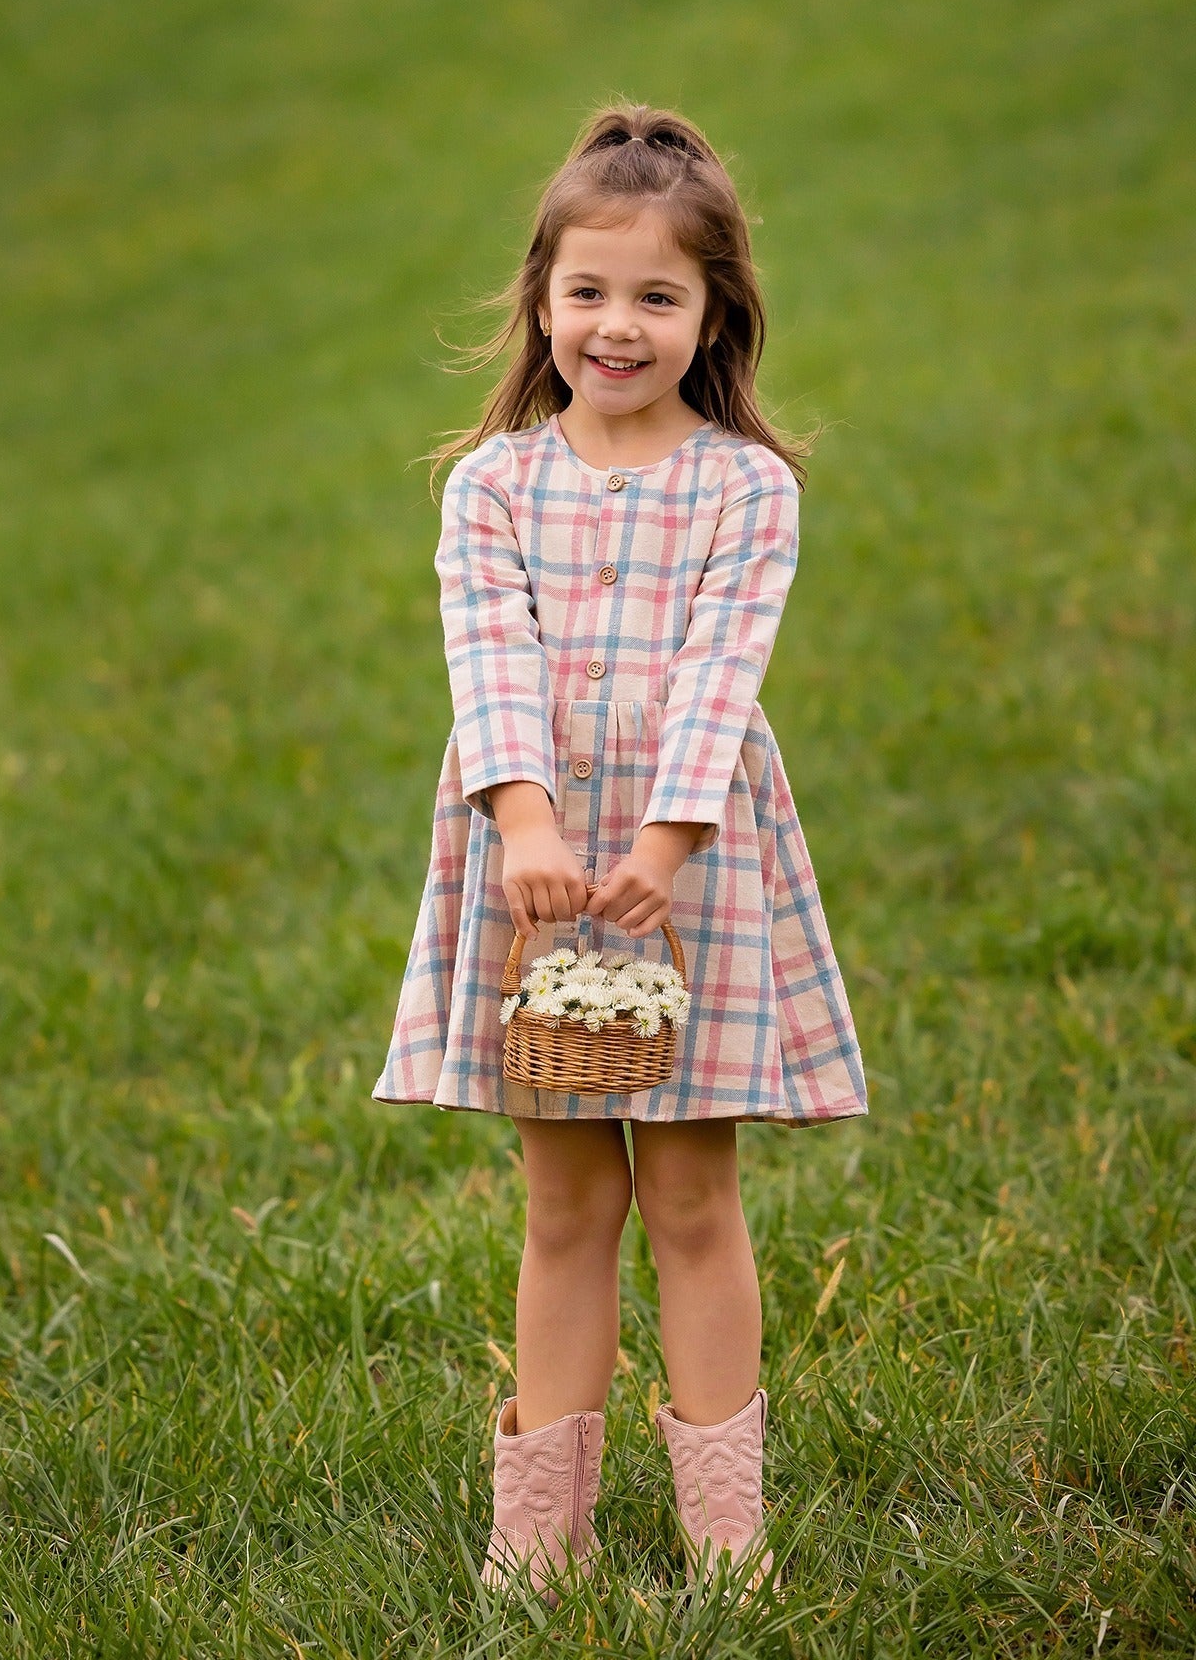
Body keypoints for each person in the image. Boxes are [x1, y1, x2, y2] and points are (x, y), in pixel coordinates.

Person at [372, 101, 868, 1602]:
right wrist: (522, 817)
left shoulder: (747, 488)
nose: (619, 324)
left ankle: (728, 1534)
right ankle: (538, 1541)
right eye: (590, 290)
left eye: (659, 295)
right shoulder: (493, 486)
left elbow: (724, 669)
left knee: (693, 1197)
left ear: (714, 311)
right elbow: (487, 659)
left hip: (690, 867)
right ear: (542, 297)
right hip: (532, 872)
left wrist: (663, 839)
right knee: (567, 1197)